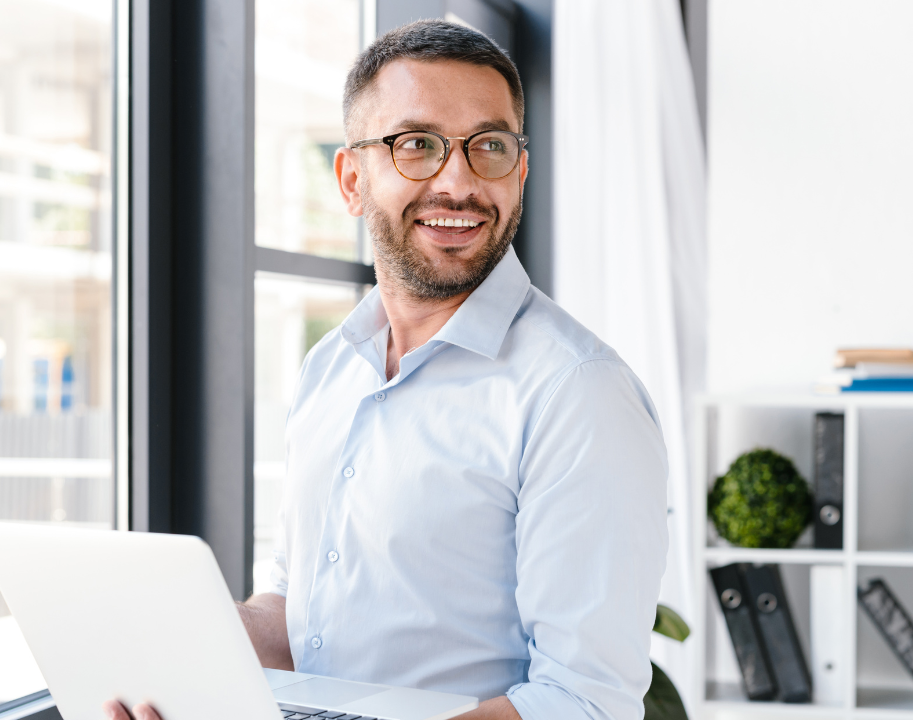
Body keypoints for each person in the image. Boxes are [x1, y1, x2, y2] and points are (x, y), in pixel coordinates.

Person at [105, 19, 668, 720]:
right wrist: (174, 657)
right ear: (351, 178)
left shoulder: (577, 393)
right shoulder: (328, 369)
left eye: (488, 147)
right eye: (417, 146)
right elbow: (298, 620)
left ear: (519, 174)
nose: (459, 181)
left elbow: (582, 703)